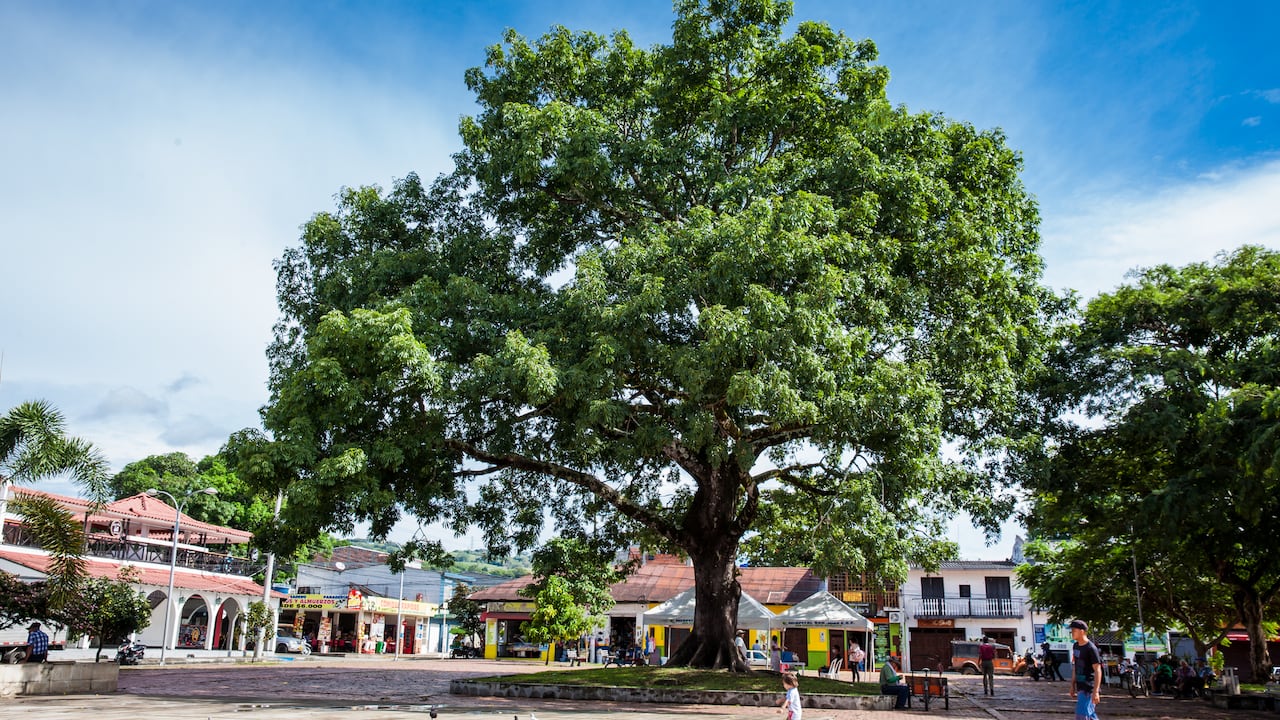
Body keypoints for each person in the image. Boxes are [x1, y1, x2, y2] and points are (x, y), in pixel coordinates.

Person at [1069, 619, 1102, 720]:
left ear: (1082, 631)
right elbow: (1075, 666)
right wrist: (1072, 685)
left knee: (1082, 715)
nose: (1071, 633)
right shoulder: (1075, 646)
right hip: (1080, 686)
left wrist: (1096, 691)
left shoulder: (1091, 648)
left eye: (1074, 630)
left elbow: (1097, 670)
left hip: (1089, 688)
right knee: (1090, 715)